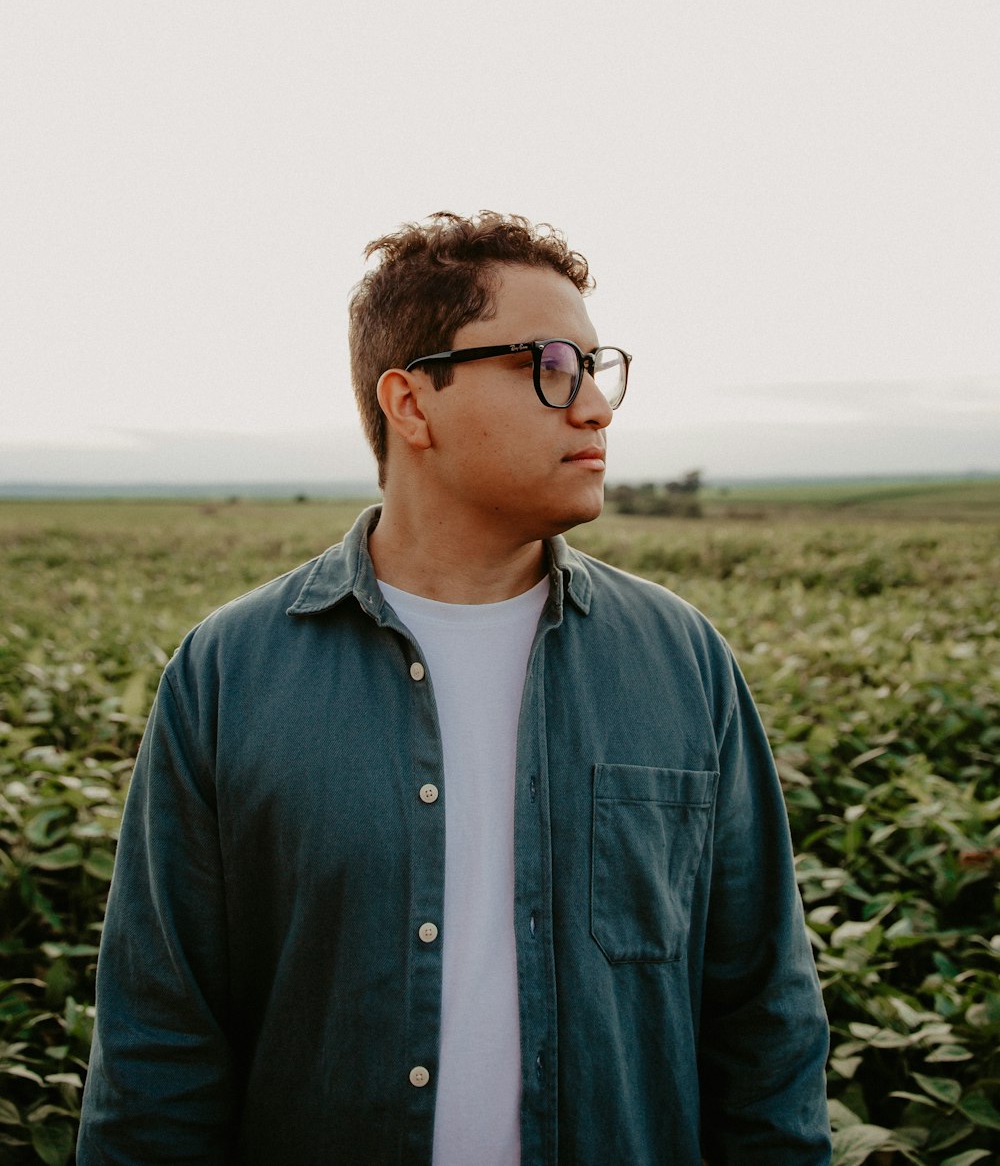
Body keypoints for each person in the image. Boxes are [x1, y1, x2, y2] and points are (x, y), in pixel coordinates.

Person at [78, 210, 831, 1165]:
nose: (594, 404)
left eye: (600, 370)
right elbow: (159, 1046)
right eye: (550, 364)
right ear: (412, 403)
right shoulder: (230, 672)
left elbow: (764, 1021)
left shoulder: (680, 660)